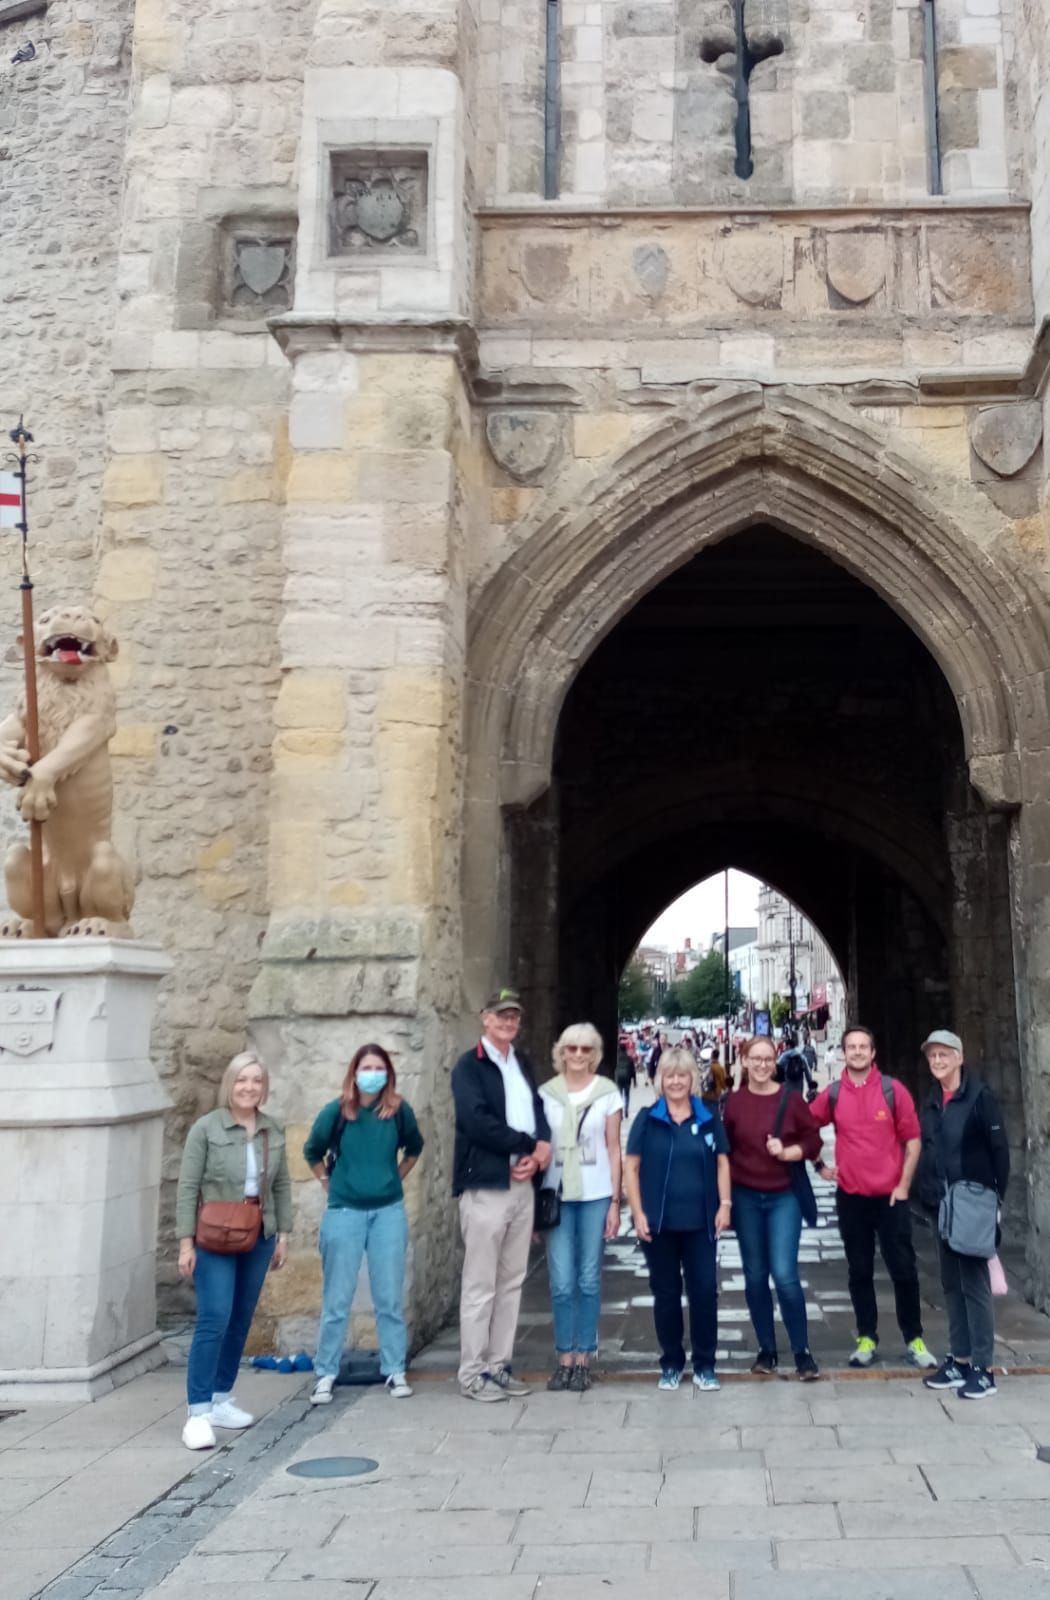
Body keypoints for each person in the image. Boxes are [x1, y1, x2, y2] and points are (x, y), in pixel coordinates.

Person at [175, 1050, 292, 1450]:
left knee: (241, 1318)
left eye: (256, 1081)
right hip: (213, 1236)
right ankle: (198, 1411)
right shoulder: (206, 1129)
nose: (249, 1087)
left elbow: (281, 1186)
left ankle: (222, 1396)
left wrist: (283, 1235)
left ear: (264, 1087)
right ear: (230, 1084)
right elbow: (188, 1188)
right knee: (214, 1317)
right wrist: (185, 1244)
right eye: (242, 1080)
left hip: (257, 1234)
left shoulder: (272, 1130)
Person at [808, 1025, 937, 1369]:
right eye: (852, 1047)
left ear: (873, 1052)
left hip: (890, 1197)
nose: (858, 1052)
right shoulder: (834, 1094)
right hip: (852, 1196)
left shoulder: (893, 1091)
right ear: (844, 1053)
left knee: (904, 1269)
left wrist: (904, 1185)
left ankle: (914, 1337)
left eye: (864, 1046)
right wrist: (818, 1163)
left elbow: (912, 1140)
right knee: (859, 1270)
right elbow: (805, 1125)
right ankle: (867, 1337)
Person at [304, 1043, 425, 1406]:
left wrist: (394, 1178)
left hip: (387, 1211)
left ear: (387, 1072)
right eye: (365, 1066)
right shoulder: (337, 1112)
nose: (372, 1072)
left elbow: (414, 1148)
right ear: (354, 1072)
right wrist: (328, 1182)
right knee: (337, 1298)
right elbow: (312, 1151)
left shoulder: (398, 1112)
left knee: (388, 1296)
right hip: (345, 1212)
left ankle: (394, 1368)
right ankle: (326, 1372)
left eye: (378, 1066)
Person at [451, 988, 552, 1401]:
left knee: (511, 1280)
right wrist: (529, 1145)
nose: (508, 1022)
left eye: (514, 1017)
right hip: (488, 1184)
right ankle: (472, 1372)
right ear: (485, 1018)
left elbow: (538, 1110)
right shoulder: (468, 1067)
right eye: (501, 1016)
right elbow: (477, 1122)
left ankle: (499, 1363)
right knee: (480, 1284)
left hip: (521, 1185)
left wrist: (541, 1147)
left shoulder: (521, 1062)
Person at [624, 1047, 732, 1393]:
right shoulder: (647, 1118)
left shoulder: (708, 1117)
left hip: (700, 1222)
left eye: (682, 1075)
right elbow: (632, 1166)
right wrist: (637, 1211)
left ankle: (705, 1364)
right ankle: (671, 1362)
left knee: (703, 1292)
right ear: (660, 1080)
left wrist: (725, 1204)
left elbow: (722, 1163)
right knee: (666, 1294)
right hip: (659, 1223)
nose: (676, 1081)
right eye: (669, 1075)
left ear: (692, 1079)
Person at [723, 1036, 823, 1380]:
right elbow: (725, 1149)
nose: (763, 1064)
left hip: (784, 1196)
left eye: (768, 1059)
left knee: (784, 1273)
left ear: (775, 1062)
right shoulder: (733, 1103)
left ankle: (802, 1350)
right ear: (745, 1061)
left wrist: (789, 1152)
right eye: (756, 1059)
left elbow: (813, 1140)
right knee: (754, 1275)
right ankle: (766, 1348)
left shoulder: (791, 1100)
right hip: (747, 1196)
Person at [917, 1029, 1010, 1400]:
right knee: (951, 1284)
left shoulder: (980, 1099)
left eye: (944, 1055)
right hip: (942, 1203)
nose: (937, 1061)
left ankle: (983, 1368)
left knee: (975, 1285)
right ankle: (959, 1358)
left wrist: (995, 1203)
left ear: (959, 1057)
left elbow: (1000, 1153)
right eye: (932, 1056)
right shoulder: (933, 1100)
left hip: (972, 1202)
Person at [540, 1023, 622, 1391]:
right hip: (556, 1194)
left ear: (595, 1054)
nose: (577, 1055)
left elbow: (613, 1147)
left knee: (588, 1279)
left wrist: (616, 1202)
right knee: (560, 1281)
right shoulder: (546, 1094)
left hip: (594, 1194)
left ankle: (584, 1356)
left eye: (585, 1049)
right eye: (571, 1048)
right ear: (561, 1051)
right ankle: (564, 1358)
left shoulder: (607, 1094)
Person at [614, 1037, 636, 1116]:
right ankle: (626, 1110)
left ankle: (620, 1112)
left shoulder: (616, 1058)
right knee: (627, 1095)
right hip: (627, 1079)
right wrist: (635, 1081)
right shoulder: (629, 1058)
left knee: (619, 1096)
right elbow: (633, 1071)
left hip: (619, 1079)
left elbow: (614, 1069)